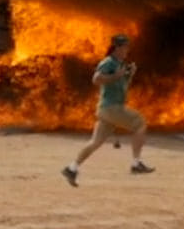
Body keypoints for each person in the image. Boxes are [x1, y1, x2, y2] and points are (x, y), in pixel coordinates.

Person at [61, 34, 153, 185]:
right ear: (117, 47)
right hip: (111, 107)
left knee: (95, 142)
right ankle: (136, 164)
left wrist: (129, 75)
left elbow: (122, 86)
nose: (127, 50)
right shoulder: (109, 62)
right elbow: (96, 79)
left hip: (107, 110)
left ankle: (72, 168)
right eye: (125, 47)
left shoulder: (120, 64)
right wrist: (116, 76)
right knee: (140, 122)